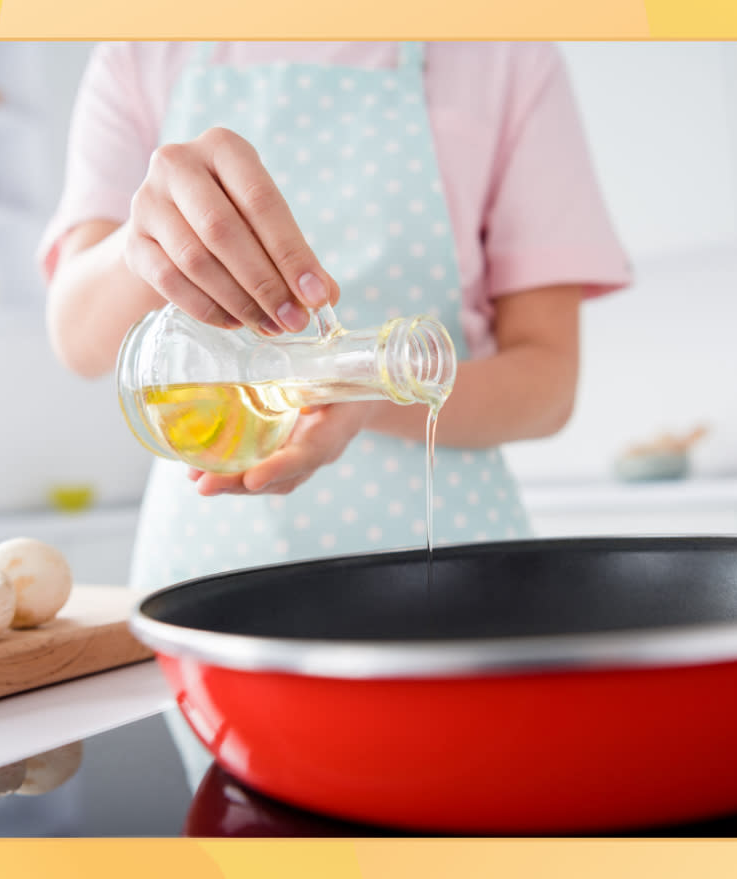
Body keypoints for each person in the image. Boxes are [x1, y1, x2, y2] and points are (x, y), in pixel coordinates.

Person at [40, 40, 631, 788]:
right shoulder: (144, 48)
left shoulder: (505, 52)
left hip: (461, 581)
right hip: (217, 585)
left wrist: (367, 389)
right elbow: (77, 337)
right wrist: (139, 243)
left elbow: (548, 380)